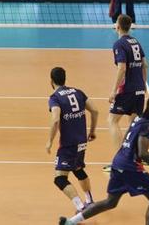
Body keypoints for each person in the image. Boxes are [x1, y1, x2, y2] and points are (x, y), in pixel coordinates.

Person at [59, 97, 149, 225]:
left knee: (110, 202)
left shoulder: (137, 120)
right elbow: (142, 153)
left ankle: (70, 222)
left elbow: (128, 143)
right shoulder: (148, 126)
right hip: (131, 167)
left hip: (118, 162)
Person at [46, 67, 99, 213]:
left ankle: (81, 208)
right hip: (82, 141)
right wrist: (92, 132)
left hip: (68, 144)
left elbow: (56, 119)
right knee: (78, 169)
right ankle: (90, 201)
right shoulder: (78, 92)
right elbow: (95, 110)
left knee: (60, 179)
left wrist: (49, 141)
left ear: (51, 81)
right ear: (65, 79)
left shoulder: (55, 98)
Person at [109, 14, 149, 152]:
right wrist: (143, 85)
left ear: (117, 27)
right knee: (133, 125)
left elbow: (122, 67)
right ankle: (132, 157)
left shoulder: (119, 44)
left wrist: (114, 91)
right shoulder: (135, 42)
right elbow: (145, 65)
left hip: (127, 90)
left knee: (112, 121)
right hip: (139, 89)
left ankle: (120, 158)